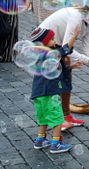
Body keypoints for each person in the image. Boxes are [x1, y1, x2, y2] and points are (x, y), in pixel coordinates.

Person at [39, 6, 89, 130]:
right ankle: (58, 119)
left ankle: (66, 115)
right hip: (45, 44)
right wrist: (87, 60)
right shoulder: (76, 18)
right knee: (57, 81)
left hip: (58, 44)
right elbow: (66, 48)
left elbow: (87, 47)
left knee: (67, 77)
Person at [30, 26, 81, 154]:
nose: (54, 41)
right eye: (52, 39)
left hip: (37, 93)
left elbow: (54, 70)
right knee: (58, 119)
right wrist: (74, 36)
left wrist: (70, 67)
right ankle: (55, 144)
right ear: (43, 43)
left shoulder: (39, 57)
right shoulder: (50, 54)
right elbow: (65, 49)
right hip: (49, 93)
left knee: (44, 118)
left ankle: (40, 141)